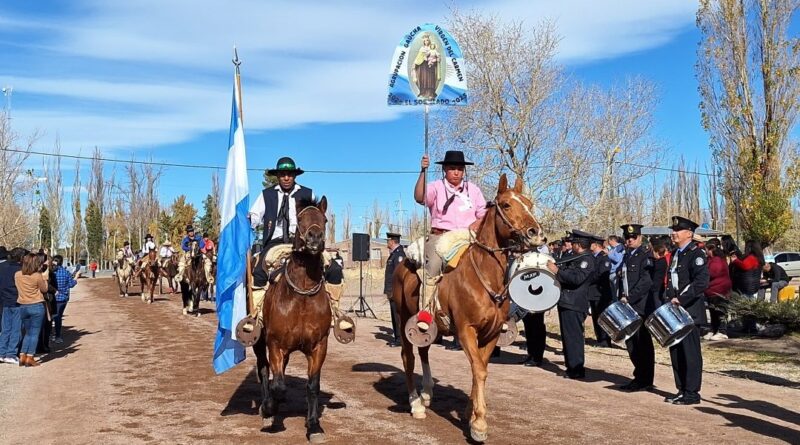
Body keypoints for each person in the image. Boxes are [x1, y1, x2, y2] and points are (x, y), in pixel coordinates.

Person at [413, 150, 487, 331]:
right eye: (452, 168)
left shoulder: (473, 190)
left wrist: (476, 224)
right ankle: (426, 310)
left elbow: (483, 213)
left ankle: (497, 312)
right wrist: (423, 171)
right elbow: (419, 197)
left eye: (460, 169)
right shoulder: (436, 186)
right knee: (434, 264)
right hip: (441, 236)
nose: (457, 172)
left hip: (468, 237)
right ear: (444, 169)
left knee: (490, 262)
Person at [664, 216, 709, 405]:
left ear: (689, 233)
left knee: (690, 353)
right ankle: (681, 389)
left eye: (678, 230)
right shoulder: (676, 253)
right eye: (673, 230)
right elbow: (672, 279)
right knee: (676, 351)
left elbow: (700, 282)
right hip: (675, 311)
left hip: (689, 310)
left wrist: (681, 299)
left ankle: (692, 392)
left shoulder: (696, 254)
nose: (673, 233)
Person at [546, 230, 595, 379]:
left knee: (574, 337)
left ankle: (577, 369)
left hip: (575, 303)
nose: (570, 245)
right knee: (567, 337)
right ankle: (571, 367)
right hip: (566, 301)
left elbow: (576, 279)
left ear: (579, 245)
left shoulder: (587, 260)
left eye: (573, 243)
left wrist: (557, 271)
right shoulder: (576, 258)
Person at [617, 224, 655, 391]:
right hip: (627, 306)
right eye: (627, 237)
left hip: (639, 306)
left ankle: (645, 379)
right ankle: (638, 376)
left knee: (642, 344)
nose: (630, 240)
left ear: (640, 238)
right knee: (631, 343)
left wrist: (630, 298)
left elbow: (646, 281)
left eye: (633, 237)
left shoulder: (644, 256)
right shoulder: (627, 256)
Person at [14, 253, 48, 367]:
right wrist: (45, 278)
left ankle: (22, 355)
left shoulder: (17, 275)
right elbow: (44, 289)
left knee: (28, 333)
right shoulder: (37, 276)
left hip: (22, 305)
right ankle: (30, 357)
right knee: (34, 333)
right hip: (36, 305)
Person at [0, 248, 27, 365]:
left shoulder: (3, 267)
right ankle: (11, 353)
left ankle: (1, 353)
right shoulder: (20, 270)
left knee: (5, 329)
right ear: (21, 257)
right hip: (17, 301)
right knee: (16, 329)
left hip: (5, 301)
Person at [703, 239, 732, 340]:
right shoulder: (710, 260)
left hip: (720, 290)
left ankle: (722, 330)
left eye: (706, 249)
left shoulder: (718, 260)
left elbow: (713, 272)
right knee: (712, 311)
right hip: (711, 290)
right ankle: (713, 329)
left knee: (720, 311)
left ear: (710, 249)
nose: (705, 252)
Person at [587, 235, 612, 348]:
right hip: (592, 292)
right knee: (595, 317)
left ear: (596, 245)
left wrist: (587, 279)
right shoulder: (593, 257)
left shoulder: (604, 258)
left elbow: (600, 274)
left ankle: (605, 340)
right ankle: (599, 338)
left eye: (591, 243)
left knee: (602, 316)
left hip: (601, 292)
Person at [383, 232, 405, 347]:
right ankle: (397, 337)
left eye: (388, 240)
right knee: (394, 314)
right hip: (392, 291)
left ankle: (400, 339)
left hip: (396, 291)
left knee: (397, 315)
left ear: (392, 241)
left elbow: (399, 275)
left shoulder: (399, 255)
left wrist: (394, 291)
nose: (387, 242)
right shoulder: (393, 255)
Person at [52, 255, 78, 344]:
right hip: (62, 298)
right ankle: (57, 336)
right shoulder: (65, 272)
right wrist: (76, 278)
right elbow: (71, 284)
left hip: (51, 298)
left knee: (51, 317)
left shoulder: (50, 272)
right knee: (58, 317)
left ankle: (49, 335)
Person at [412, 33, 439, 100]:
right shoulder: (422, 48)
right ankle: (423, 92)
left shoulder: (432, 48)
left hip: (430, 66)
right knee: (423, 78)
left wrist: (435, 59)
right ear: (423, 42)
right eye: (425, 41)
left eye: (427, 40)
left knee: (430, 79)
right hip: (423, 66)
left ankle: (431, 93)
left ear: (429, 41)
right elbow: (418, 57)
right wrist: (415, 63)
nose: (426, 42)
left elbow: (435, 55)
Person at [324, 250, 345, 326]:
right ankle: (335, 317)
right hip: (338, 286)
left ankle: (333, 318)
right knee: (335, 303)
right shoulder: (337, 265)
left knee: (332, 303)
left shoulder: (330, 269)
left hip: (332, 287)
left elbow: (325, 277)